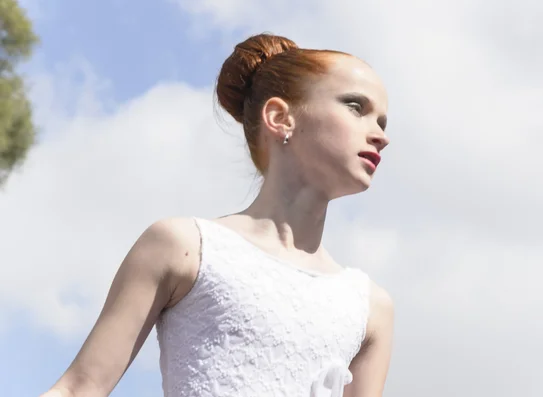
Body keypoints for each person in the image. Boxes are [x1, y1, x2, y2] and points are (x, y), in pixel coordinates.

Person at [41, 33, 394, 397]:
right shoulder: (185, 247)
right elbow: (79, 388)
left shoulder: (370, 307)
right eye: (356, 107)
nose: (380, 136)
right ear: (279, 117)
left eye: (383, 122)